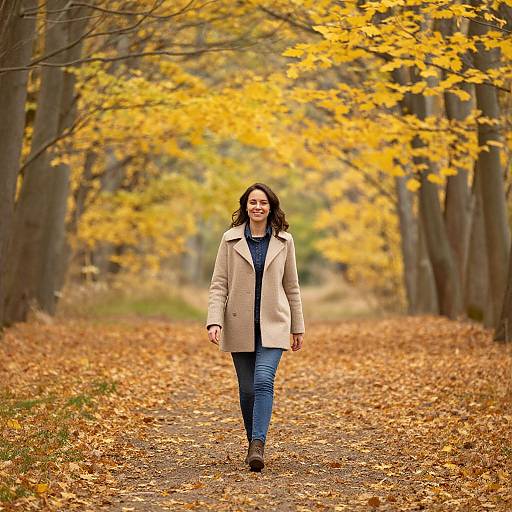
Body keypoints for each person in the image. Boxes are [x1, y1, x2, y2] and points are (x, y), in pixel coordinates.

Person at [206, 182, 305, 472]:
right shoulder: (230, 240)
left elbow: (293, 287)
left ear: (271, 207)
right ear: (245, 206)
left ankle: (258, 443)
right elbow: (219, 284)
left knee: (263, 381)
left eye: (263, 202)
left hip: (274, 323)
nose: (258, 207)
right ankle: (254, 445)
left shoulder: (285, 241)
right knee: (248, 389)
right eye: (252, 202)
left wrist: (297, 326)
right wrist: (214, 320)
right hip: (239, 324)